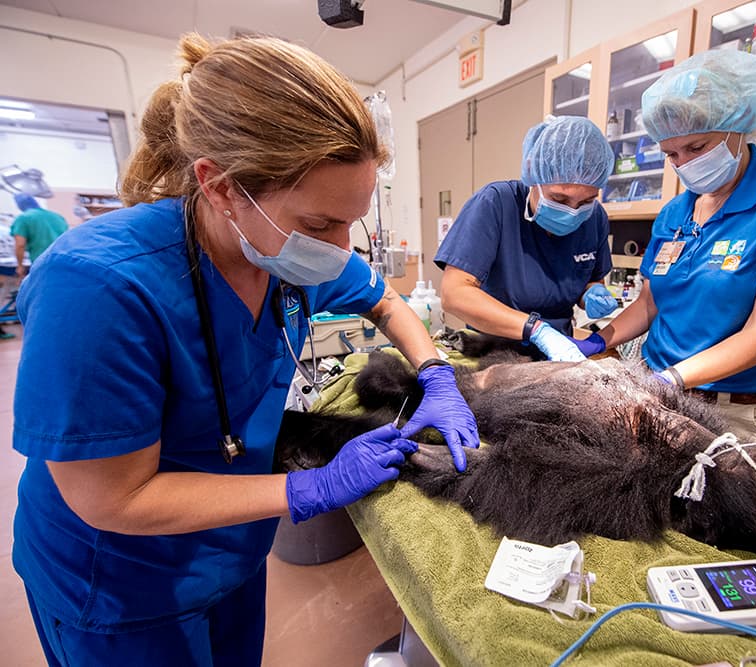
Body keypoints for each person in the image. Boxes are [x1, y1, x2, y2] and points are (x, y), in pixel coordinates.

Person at [12, 33, 478, 666]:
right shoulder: (98, 287)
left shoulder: (290, 254)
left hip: (232, 550)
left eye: (353, 221)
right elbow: (112, 498)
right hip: (121, 583)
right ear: (221, 185)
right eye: (319, 225)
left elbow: (388, 303)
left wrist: (436, 376)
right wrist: (308, 489)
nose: (341, 246)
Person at [580, 50, 756, 443]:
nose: (684, 163)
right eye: (671, 154)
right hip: (658, 398)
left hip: (739, 413)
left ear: (738, 127)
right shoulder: (675, 213)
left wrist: (671, 378)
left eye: (697, 147)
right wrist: (600, 339)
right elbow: (652, 305)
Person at [434, 115, 617, 362]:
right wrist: (535, 329)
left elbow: (591, 281)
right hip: (491, 352)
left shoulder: (595, 219)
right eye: (560, 200)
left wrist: (592, 295)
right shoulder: (496, 203)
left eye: (585, 201)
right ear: (533, 176)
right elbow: (454, 293)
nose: (572, 212)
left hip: (560, 353)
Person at [11, 192, 68, 278]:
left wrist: (20, 266)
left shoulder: (23, 218)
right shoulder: (57, 216)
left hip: (42, 262)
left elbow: (20, 245)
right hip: (63, 260)